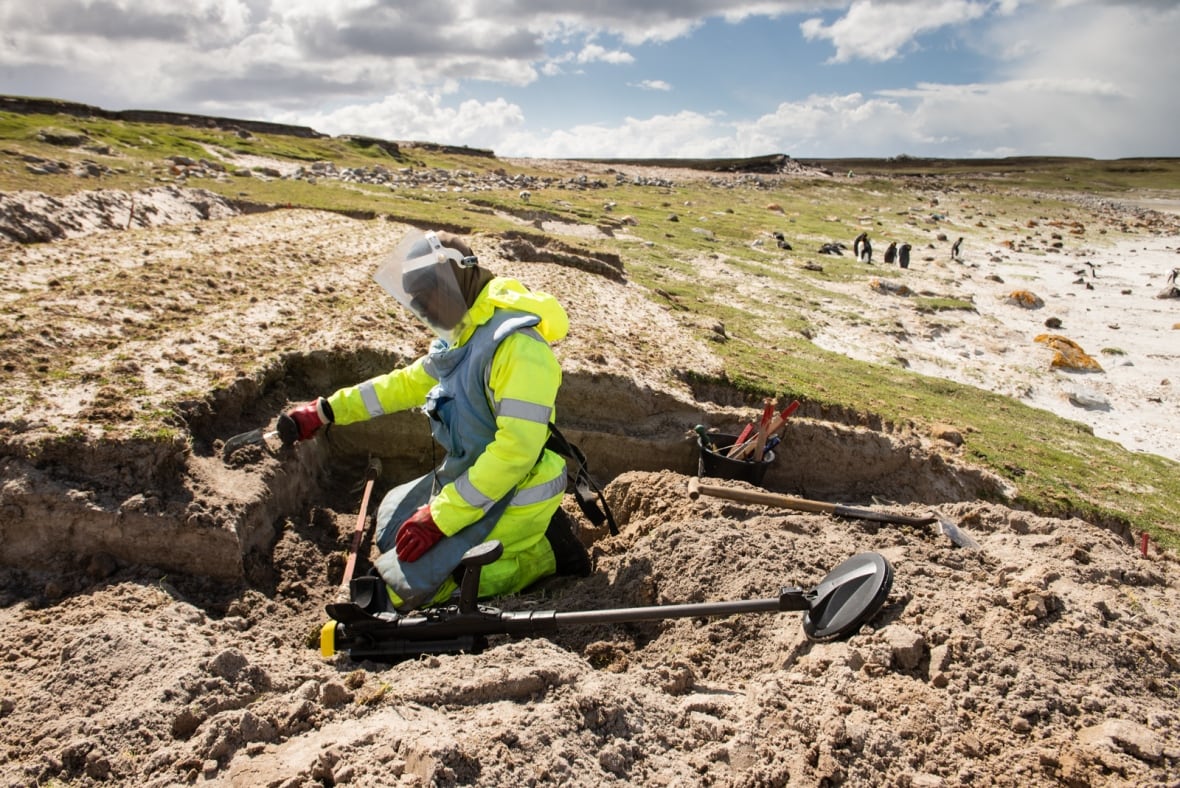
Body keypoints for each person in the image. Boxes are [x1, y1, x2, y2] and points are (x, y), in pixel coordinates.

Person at [278, 230, 589, 612]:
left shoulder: (519, 348)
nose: (422, 311)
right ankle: (523, 540)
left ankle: (548, 553)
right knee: (393, 525)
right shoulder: (466, 334)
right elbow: (405, 384)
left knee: (407, 589)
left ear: (456, 281)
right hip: (476, 477)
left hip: (517, 490)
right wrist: (327, 410)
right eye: (416, 301)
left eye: (426, 297)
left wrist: (440, 517)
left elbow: (516, 453)